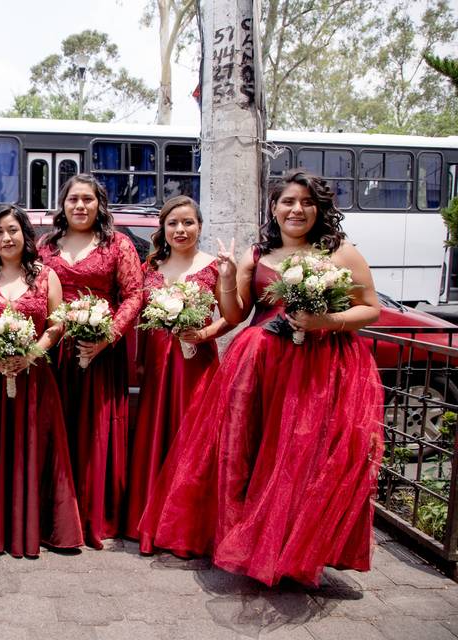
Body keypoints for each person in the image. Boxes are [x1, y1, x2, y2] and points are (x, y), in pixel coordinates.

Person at [136, 170, 384, 586]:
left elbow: (371, 308)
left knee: (308, 458)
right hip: (262, 368)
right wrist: (230, 281)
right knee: (257, 459)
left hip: (321, 369)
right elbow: (235, 315)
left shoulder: (340, 252)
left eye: (306, 202)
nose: (296, 210)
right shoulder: (257, 253)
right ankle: (253, 545)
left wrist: (329, 318)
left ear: (318, 209)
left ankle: (300, 551)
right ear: (274, 208)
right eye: (288, 201)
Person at [0, 204, 83, 557]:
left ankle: (31, 527)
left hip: (35, 381)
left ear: (25, 235)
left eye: (12, 230)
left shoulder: (46, 276)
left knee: (34, 451)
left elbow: (58, 324)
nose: (6, 238)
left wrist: (31, 354)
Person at [40, 174, 143, 549]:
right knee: (57, 430)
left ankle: (92, 515)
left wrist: (107, 337)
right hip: (55, 352)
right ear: (62, 205)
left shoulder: (118, 245)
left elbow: (134, 295)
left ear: (100, 204)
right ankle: (55, 514)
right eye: (72, 199)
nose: (80, 206)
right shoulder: (46, 245)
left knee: (95, 431)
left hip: (101, 353)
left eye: (88, 199)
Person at [122, 196, 233, 546]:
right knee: (157, 436)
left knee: (194, 438)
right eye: (173, 224)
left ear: (199, 226)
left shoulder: (214, 266)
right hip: (157, 363)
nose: (180, 230)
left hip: (196, 364)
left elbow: (233, 314)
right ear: (163, 228)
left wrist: (203, 333)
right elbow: (136, 315)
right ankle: (152, 523)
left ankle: (191, 529)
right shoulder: (150, 267)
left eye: (188, 223)